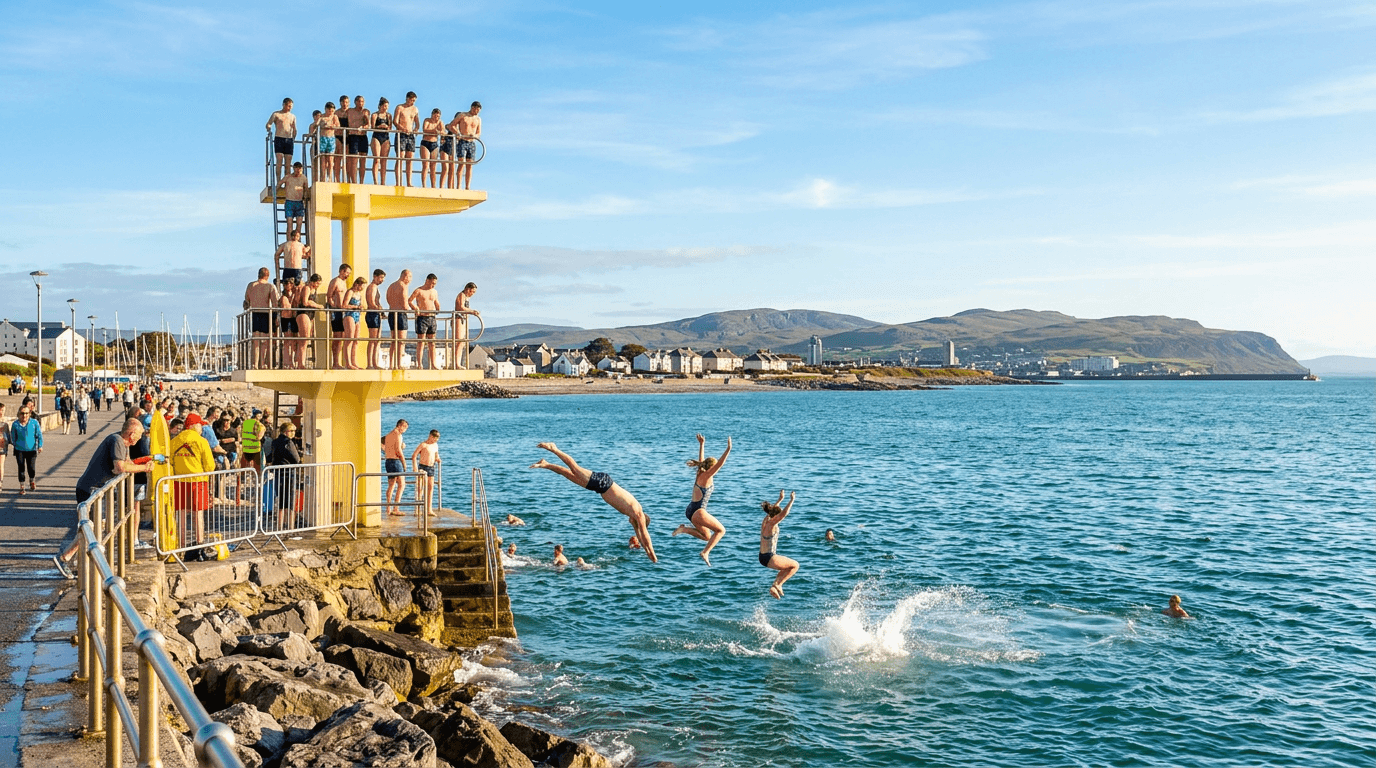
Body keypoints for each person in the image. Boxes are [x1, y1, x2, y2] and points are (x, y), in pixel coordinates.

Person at [53, 417, 152, 577]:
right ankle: (65, 557)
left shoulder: (121, 442)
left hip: (93, 490)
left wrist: (144, 462)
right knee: (91, 527)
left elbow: (127, 463)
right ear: (132, 434)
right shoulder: (117, 440)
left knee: (95, 527)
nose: (140, 438)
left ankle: (76, 560)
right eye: (139, 435)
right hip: (89, 490)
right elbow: (120, 467)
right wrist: (144, 468)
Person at [528, 442, 657, 563]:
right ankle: (554, 448)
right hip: (604, 483)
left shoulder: (633, 516)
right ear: (642, 522)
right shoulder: (638, 513)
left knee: (568, 474)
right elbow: (645, 536)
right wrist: (652, 553)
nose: (637, 528)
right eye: (641, 526)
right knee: (575, 468)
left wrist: (646, 552)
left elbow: (640, 536)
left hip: (600, 488)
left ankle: (545, 464)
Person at [671, 434, 731, 566]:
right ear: (711, 468)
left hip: (691, 510)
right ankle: (705, 552)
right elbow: (720, 464)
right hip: (698, 511)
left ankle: (684, 529)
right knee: (721, 531)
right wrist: (728, 449)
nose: (716, 471)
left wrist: (702, 444)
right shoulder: (707, 475)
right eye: (714, 468)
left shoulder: (701, 472)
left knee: (707, 537)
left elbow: (701, 460)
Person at [169, 416, 215, 551]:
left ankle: (182, 544)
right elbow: (210, 466)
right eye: (200, 425)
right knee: (198, 513)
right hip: (198, 481)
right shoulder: (201, 441)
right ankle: (199, 542)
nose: (201, 428)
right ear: (194, 426)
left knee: (181, 513)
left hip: (179, 481)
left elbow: (170, 461)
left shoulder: (175, 441)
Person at [760, 491, 799, 599]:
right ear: (775, 516)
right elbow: (784, 514)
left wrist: (780, 499)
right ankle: (777, 584)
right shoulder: (771, 524)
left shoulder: (766, 520)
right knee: (795, 565)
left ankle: (776, 585)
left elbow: (773, 511)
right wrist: (791, 500)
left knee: (785, 568)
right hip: (769, 556)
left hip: (762, 557)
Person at [268, 421, 303, 531]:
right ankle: (291, 528)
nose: (293, 433)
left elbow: (271, 456)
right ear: (286, 432)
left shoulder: (275, 442)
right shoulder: (288, 442)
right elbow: (296, 459)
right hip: (289, 474)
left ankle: (279, 527)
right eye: (291, 431)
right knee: (291, 503)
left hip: (278, 473)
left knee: (281, 503)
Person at [244, 267, 280, 369]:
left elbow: (247, 301)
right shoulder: (269, 286)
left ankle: (254, 363)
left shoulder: (251, 285)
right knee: (264, 341)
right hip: (265, 314)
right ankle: (263, 363)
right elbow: (275, 303)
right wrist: (276, 316)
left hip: (254, 314)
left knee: (256, 341)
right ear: (267, 276)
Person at [292, 273, 326, 368]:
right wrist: (318, 305)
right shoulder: (306, 288)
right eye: (317, 283)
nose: (318, 285)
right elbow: (305, 302)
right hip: (303, 313)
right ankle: (300, 363)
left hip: (309, 315)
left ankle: (301, 362)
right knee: (304, 339)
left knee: (306, 340)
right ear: (313, 282)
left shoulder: (313, 290)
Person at [409, 274, 441, 369]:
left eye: (434, 283)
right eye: (432, 283)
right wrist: (415, 307)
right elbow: (410, 301)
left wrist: (438, 307)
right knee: (421, 341)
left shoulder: (434, 291)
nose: (433, 285)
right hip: (422, 318)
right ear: (427, 280)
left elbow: (435, 302)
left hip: (432, 317)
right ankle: (419, 364)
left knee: (432, 343)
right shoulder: (419, 290)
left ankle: (433, 364)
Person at [385, 269, 415, 368]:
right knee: (401, 340)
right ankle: (398, 364)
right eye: (410, 277)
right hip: (400, 314)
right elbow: (405, 304)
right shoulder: (403, 286)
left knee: (393, 340)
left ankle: (391, 364)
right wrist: (412, 309)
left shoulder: (391, 286)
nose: (411, 280)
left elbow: (388, 299)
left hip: (391, 313)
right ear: (405, 276)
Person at [327, 263, 354, 369]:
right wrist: (335, 307)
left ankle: (339, 362)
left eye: (349, 273)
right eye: (347, 272)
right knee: (337, 337)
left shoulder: (344, 283)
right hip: (336, 312)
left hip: (343, 312)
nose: (348, 275)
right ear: (341, 271)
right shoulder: (335, 281)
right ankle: (335, 362)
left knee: (342, 337)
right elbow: (329, 297)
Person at [10, 407, 42, 495]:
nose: (24, 415)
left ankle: (32, 480)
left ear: (30, 414)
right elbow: (12, 436)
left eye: (26, 413)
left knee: (31, 468)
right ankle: (22, 486)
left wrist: (40, 446)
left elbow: (39, 435)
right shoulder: (15, 424)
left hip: (31, 449)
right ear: (19, 414)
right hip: (19, 449)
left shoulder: (34, 423)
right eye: (22, 413)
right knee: (21, 468)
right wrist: (15, 445)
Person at [451, 102, 482, 190]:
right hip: (462, 140)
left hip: (471, 142)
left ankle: (467, 186)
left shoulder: (478, 119)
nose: (477, 112)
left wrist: (475, 136)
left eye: (478, 111)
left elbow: (479, 132)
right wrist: (458, 133)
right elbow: (451, 125)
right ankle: (458, 186)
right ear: (473, 108)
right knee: (461, 163)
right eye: (476, 109)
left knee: (469, 164)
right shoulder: (463, 115)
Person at [411, 429, 441, 515]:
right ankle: (418, 509)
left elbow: (436, 454)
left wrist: (437, 458)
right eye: (435, 437)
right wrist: (415, 467)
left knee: (430, 488)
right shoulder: (423, 445)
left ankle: (429, 509)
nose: (436, 440)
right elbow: (414, 456)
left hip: (431, 467)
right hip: (422, 467)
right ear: (431, 436)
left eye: (437, 438)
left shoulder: (435, 445)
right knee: (420, 488)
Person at [266, 97, 297, 183]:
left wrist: (294, 136)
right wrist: (269, 128)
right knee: (279, 161)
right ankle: (278, 181)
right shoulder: (276, 114)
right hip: (279, 138)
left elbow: (294, 128)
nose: (290, 108)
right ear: (284, 105)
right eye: (288, 106)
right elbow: (268, 124)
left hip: (289, 140)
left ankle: (287, 182)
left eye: (291, 106)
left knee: (288, 164)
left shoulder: (292, 116)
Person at [383, 419, 409, 517]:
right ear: (400, 426)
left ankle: (388, 508)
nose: (404, 430)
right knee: (402, 484)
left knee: (391, 485)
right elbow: (398, 450)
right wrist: (404, 462)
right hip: (395, 461)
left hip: (388, 461)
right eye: (405, 428)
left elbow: (384, 447)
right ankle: (396, 508)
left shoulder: (388, 435)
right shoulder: (398, 435)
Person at [394, 92, 420, 186]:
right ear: (407, 99)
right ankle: (398, 182)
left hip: (410, 135)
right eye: (412, 100)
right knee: (400, 157)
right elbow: (395, 121)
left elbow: (417, 123)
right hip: (401, 134)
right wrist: (402, 128)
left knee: (410, 158)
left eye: (414, 101)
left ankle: (409, 182)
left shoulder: (415, 109)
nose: (413, 102)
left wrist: (416, 129)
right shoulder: (400, 107)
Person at [278, 162, 309, 239]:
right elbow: (280, 183)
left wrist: (306, 197)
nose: (298, 170)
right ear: (293, 168)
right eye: (296, 168)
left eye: (299, 168)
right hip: (290, 202)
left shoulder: (303, 178)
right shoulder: (288, 177)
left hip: (299, 202)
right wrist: (276, 190)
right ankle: (289, 241)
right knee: (289, 224)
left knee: (299, 225)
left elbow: (306, 189)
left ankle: (297, 242)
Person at [453, 282, 480, 369]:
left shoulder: (466, 297)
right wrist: (472, 311)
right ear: (468, 289)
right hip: (458, 319)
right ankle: (456, 364)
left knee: (461, 343)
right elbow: (461, 307)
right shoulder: (461, 295)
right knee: (459, 342)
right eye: (472, 292)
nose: (473, 294)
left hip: (463, 320)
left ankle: (458, 363)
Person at [342, 277, 367, 370]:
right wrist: (355, 307)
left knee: (356, 340)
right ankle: (348, 363)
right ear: (357, 284)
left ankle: (354, 361)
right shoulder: (350, 292)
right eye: (361, 287)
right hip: (349, 315)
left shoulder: (359, 294)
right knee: (349, 339)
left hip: (357, 316)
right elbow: (344, 305)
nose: (362, 289)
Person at [364, 269, 387, 369]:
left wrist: (381, 311)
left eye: (383, 278)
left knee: (376, 340)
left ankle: (374, 362)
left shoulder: (375, 287)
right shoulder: (372, 287)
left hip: (376, 314)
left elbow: (376, 302)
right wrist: (378, 309)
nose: (382, 280)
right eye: (381, 278)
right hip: (372, 314)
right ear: (375, 277)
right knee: (373, 339)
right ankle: (370, 364)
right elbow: (371, 303)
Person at [346, 96, 370, 183]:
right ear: (355, 102)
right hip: (353, 136)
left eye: (363, 101)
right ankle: (354, 181)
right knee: (354, 160)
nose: (361, 103)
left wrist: (363, 126)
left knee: (363, 159)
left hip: (363, 136)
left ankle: (361, 181)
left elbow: (368, 124)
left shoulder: (366, 111)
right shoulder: (350, 111)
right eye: (359, 101)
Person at [277, 276, 299, 369]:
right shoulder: (283, 297)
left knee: (294, 341)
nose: (288, 285)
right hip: (286, 318)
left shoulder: (295, 294)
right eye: (286, 283)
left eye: (290, 283)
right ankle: (287, 362)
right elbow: (285, 307)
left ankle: (293, 361)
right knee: (287, 341)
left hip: (293, 318)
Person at [370, 97, 393, 185]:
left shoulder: (388, 116)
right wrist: (379, 127)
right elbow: (372, 127)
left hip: (385, 137)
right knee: (377, 159)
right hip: (376, 136)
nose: (386, 108)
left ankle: (383, 181)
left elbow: (390, 127)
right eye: (384, 106)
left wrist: (387, 127)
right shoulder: (375, 115)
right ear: (380, 106)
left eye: (387, 106)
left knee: (384, 160)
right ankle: (376, 181)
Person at [317, 102, 341, 181]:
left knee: (330, 159)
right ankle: (323, 177)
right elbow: (316, 125)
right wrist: (323, 125)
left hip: (331, 138)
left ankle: (330, 177)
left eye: (332, 111)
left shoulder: (334, 116)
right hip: (323, 138)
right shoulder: (322, 117)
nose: (330, 112)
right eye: (329, 110)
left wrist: (331, 126)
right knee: (323, 159)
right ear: (326, 109)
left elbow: (338, 126)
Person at [420, 109, 444, 188]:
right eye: (435, 115)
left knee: (433, 167)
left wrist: (440, 132)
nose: (436, 117)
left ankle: (433, 185)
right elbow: (425, 129)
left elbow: (443, 131)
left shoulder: (440, 122)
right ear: (432, 114)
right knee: (425, 165)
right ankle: (424, 185)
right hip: (426, 142)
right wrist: (433, 131)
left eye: (438, 116)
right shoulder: (427, 120)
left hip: (434, 144)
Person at [0, 404, 8, 491]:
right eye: (0, 410)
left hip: (2, 446)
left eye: (3, 410)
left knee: (1, 465)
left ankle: (0, 483)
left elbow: (8, 435)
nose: (1, 412)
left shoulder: (5, 422)